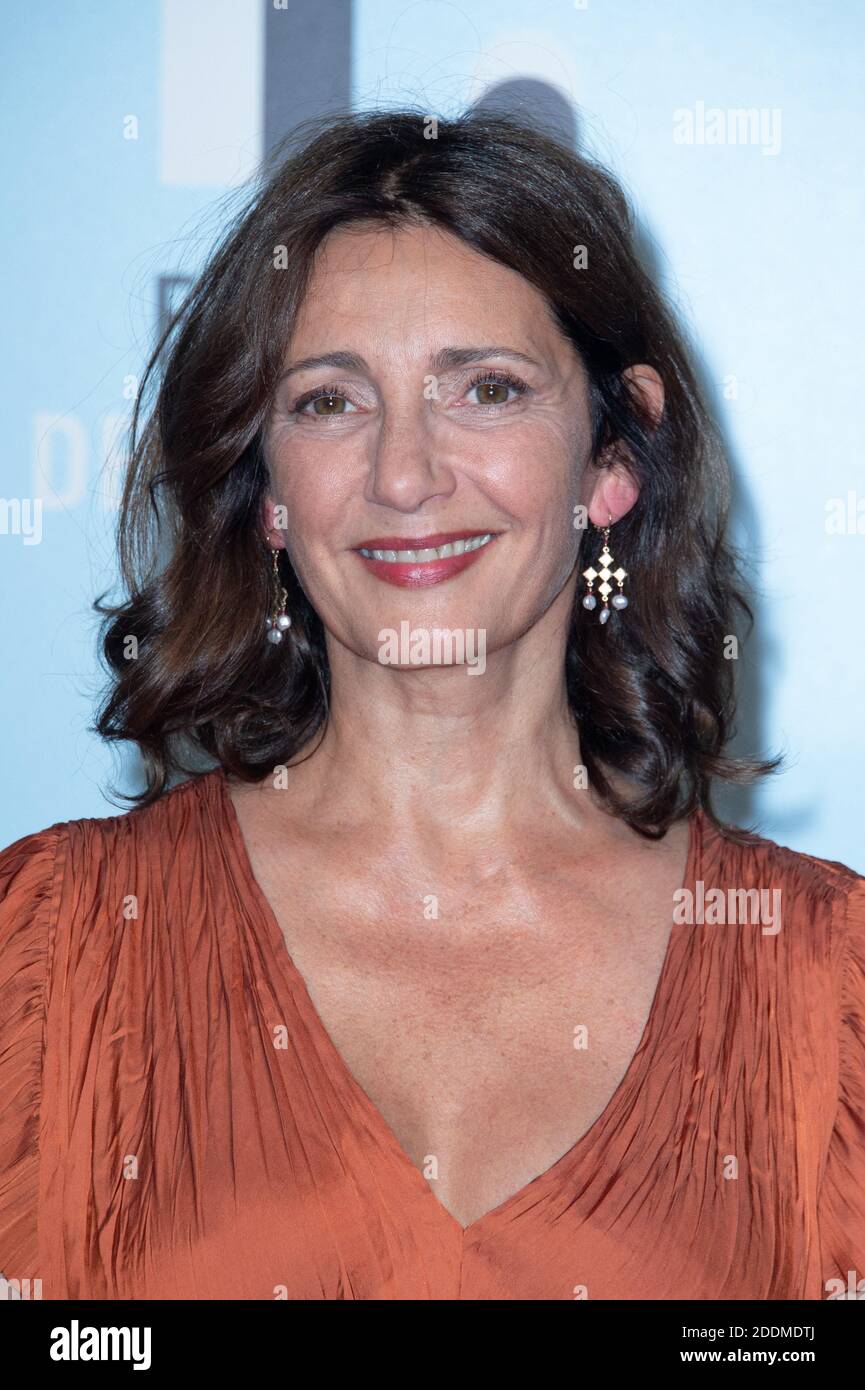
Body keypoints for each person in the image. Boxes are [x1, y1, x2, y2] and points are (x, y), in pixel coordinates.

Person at [1, 108, 862, 1301]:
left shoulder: (827, 985)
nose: (403, 474)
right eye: (329, 403)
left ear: (613, 460)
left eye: (487, 390)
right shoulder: (51, 951)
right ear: (266, 489)